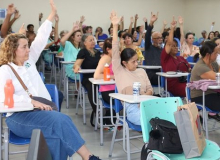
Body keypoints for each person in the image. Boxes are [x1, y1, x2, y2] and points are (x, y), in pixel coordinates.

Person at [0, 1, 101, 160]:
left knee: (55, 137)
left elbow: (41, 38)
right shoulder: (5, 70)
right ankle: (88, 157)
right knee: (61, 120)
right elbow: (3, 100)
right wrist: (30, 101)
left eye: (28, 46)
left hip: (40, 113)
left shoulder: (29, 61)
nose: (29, 49)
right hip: (19, 118)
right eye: (24, 46)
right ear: (13, 50)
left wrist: (52, 15)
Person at [111, 11, 153, 125]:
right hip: (133, 108)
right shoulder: (119, 71)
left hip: (147, 103)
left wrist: (143, 97)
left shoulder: (141, 71)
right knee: (154, 122)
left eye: (137, 60)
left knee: (168, 118)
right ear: (124, 63)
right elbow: (115, 49)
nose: (136, 64)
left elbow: (150, 89)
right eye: (133, 62)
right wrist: (115, 27)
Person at [161, 17, 191, 97]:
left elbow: (189, 69)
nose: (175, 48)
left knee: (199, 88)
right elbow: (169, 43)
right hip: (173, 85)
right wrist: (172, 29)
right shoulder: (165, 58)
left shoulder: (181, 58)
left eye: (176, 46)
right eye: (173, 46)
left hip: (185, 82)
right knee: (192, 90)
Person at [191, 41, 220, 121]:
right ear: (208, 55)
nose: (217, 54)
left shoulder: (213, 63)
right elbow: (217, 77)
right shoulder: (201, 67)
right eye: (216, 53)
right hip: (200, 97)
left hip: (212, 94)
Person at [73, 34, 101, 114]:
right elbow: (77, 64)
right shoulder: (83, 52)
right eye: (90, 40)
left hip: (98, 77)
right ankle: (97, 111)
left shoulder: (98, 52)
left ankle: (107, 110)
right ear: (85, 43)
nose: (93, 42)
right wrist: (77, 67)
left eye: (93, 40)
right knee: (93, 87)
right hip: (88, 78)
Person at [145, 12, 162, 85]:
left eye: (161, 37)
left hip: (162, 72)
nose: (160, 39)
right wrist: (151, 22)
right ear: (153, 39)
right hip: (151, 74)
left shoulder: (163, 50)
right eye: (158, 38)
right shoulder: (148, 47)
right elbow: (148, 34)